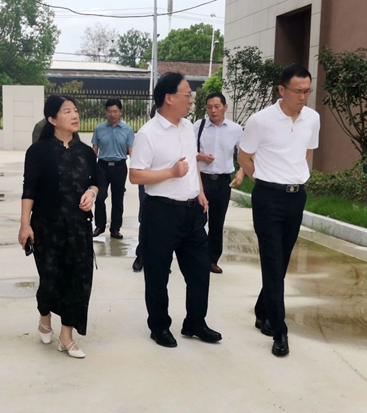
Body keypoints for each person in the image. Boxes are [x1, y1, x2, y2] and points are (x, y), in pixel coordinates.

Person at [129, 72, 222, 348]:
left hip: (192, 213)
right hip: (161, 212)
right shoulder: (148, 133)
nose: (191, 100)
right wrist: (170, 172)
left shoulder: (187, 127)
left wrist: (200, 192)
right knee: (158, 273)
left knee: (199, 271)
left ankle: (195, 322)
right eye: (187, 95)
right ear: (169, 98)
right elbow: (135, 175)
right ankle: (159, 326)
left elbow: (191, 164)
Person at [238, 64, 320, 358]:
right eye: (298, 91)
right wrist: (262, 180)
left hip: (296, 197)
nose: (303, 97)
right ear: (282, 90)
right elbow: (244, 156)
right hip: (268, 198)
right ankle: (279, 330)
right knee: (272, 262)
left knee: (281, 260)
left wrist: (294, 175)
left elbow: (307, 152)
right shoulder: (261, 121)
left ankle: (263, 311)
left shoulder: (312, 118)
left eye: (307, 91)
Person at [19, 95, 98, 359]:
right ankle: (44, 316)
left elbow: (97, 180)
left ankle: (66, 336)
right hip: (46, 227)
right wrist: (24, 225)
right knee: (50, 279)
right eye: (67, 111)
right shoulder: (38, 152)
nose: (75, 115)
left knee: (78, 279)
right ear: (52, 119)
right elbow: (29, 189)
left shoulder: (86, 152)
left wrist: (92, 192)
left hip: (78, 227)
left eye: (75, 110)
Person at [194, 92, 244, 274]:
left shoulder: (235, 129)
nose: (213, 110)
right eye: (209, 107)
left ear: (225, 107)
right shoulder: (198, 126)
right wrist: (200, 156)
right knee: (198, 220)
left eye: (217, 106)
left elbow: (245, 153)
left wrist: (241, 170)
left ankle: (212, 259)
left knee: (217, 222)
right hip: (202, 180)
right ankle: (198, 256)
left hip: (223, 181)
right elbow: (187, 151)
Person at [91, 99, 135, 239]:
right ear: (106, 112)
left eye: (115, 111)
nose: (112, 114)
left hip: (119, 166)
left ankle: (115, 229)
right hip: (102, 166)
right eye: (109, 111)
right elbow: (94, 149)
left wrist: (135, 167)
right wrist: (90, 167)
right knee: (100, 197)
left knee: (118, 199)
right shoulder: (99, 129)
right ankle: (100, 226)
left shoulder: (128, 130)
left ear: (121, 112)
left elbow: (131, 150)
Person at [132, 104, 157, 273]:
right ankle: (141, 255)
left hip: (169, 186)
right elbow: (137, 171)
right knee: (146, 220)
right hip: (148, 185)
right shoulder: (146, 134)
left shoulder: (180, 133)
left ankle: (159, 258)